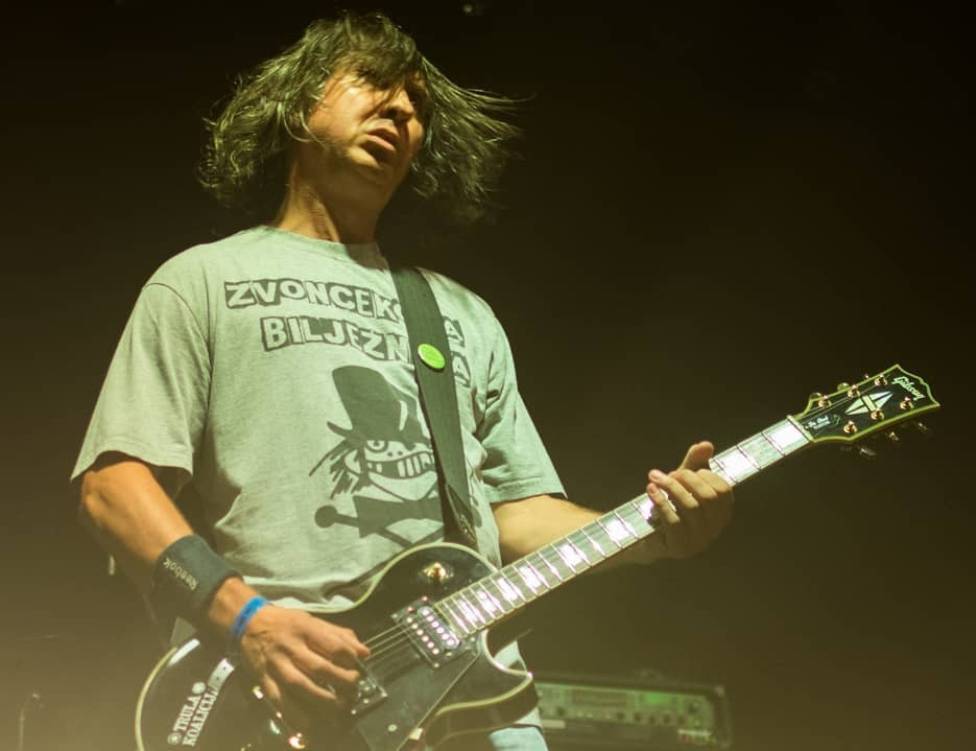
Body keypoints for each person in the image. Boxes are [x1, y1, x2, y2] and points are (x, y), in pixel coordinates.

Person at [72, 11, 734, 750]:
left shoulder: (459, 314)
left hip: (477, 706)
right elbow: (113, 488)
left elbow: (512, 516)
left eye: (416, 104)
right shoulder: (202, 281)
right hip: (290, 693)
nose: (401, 110)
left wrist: (652, 531)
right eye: (373, 83)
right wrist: (247, 619)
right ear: (296, 104)